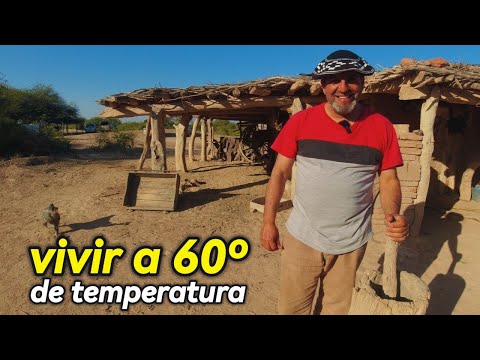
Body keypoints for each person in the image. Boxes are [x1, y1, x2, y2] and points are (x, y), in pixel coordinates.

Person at [260, 50, 409, 315]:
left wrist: (393, 214)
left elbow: (388, 179)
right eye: (333, 80)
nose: (343, 88)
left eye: (351, 79)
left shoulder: (381, 126)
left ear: (362, 83)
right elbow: (280, 173)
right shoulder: (300, 122)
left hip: (351, 243)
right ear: (322, 85)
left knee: (336, 310)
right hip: (302, 238)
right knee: (291, 309)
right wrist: (269, 222)